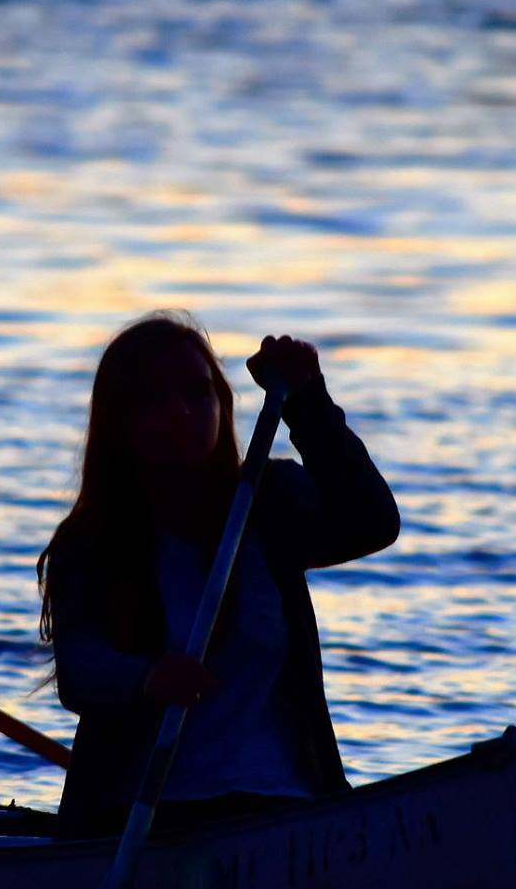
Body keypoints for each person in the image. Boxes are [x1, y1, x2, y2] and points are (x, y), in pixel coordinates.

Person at [38, 312, 399, 837]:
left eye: (196, 393)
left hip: (285, 806)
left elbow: (371, 522)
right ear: (120, 422)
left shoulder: (269, 504)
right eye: (153, 399)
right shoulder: (91, 544)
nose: (180, 412)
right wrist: (146, 678)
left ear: (222, 406)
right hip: (147, 818)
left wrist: (308, 403)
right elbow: (80, 672)